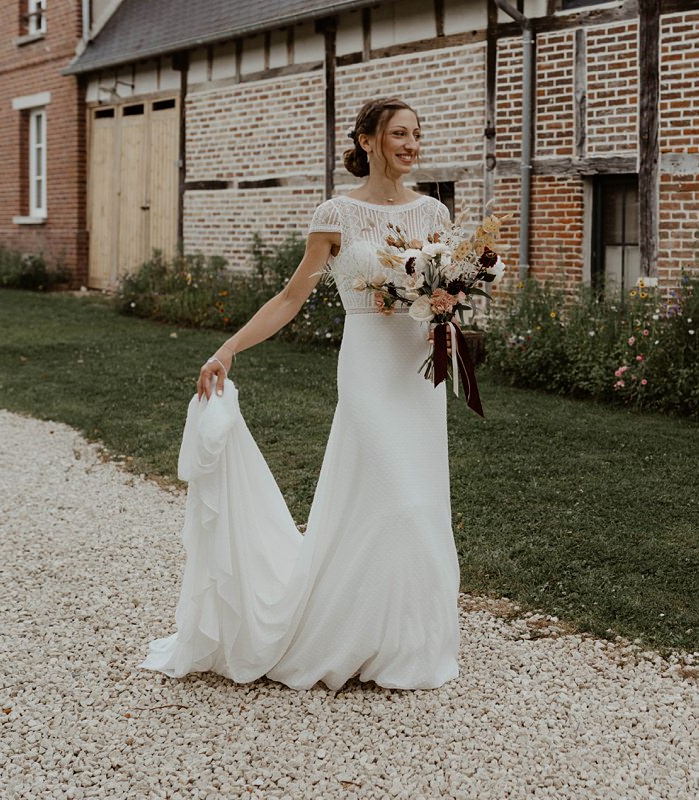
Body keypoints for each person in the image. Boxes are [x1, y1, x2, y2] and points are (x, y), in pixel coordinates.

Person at [139, 98, 461, 691]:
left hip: (417, 373)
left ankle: (404, 643)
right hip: (367, 368)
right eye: (399, 133)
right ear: (367, 140)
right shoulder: (335, 215)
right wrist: (228, 348)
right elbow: (291, 298)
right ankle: (345, 636)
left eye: (416, 134)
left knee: (416, 502)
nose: (411, 144)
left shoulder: (434, 212)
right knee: (397, 499)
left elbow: (447, 289)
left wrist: (448, 307)